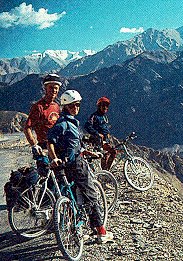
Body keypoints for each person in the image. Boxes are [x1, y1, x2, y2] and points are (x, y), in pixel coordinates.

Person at [47, 90, 113, 244]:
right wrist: (54, 157)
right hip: (75, 165)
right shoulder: (63, 123)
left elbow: (74, 144)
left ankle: (74, 229)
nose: (77, 107)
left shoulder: (70, 122)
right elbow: (50, 141)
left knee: (72, 196)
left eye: (78, 105)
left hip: (67, 164)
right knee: (91, 195)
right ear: (66, 107)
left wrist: (88, 151)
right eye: (73, 105)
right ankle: (101, 232)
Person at [24, 73, 62, 156]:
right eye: (51, 87)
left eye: (56, 88)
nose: (54, 90)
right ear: (45, 88)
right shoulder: (38, 107)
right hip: (44, 146)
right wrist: (34, 145)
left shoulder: (57, 106)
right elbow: (27, 127)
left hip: (57, 146)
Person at [84, 96, 116, 170]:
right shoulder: (94, 116)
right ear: (99, 106)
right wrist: (97, 134)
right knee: (111, 152)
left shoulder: (104, 117)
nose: (105, 107)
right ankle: (105, 171)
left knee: (110, 153)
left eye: (107, 106)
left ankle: (105, 171)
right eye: (103, 105)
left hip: (104, 140)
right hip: (97, 140)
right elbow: (87, 126)